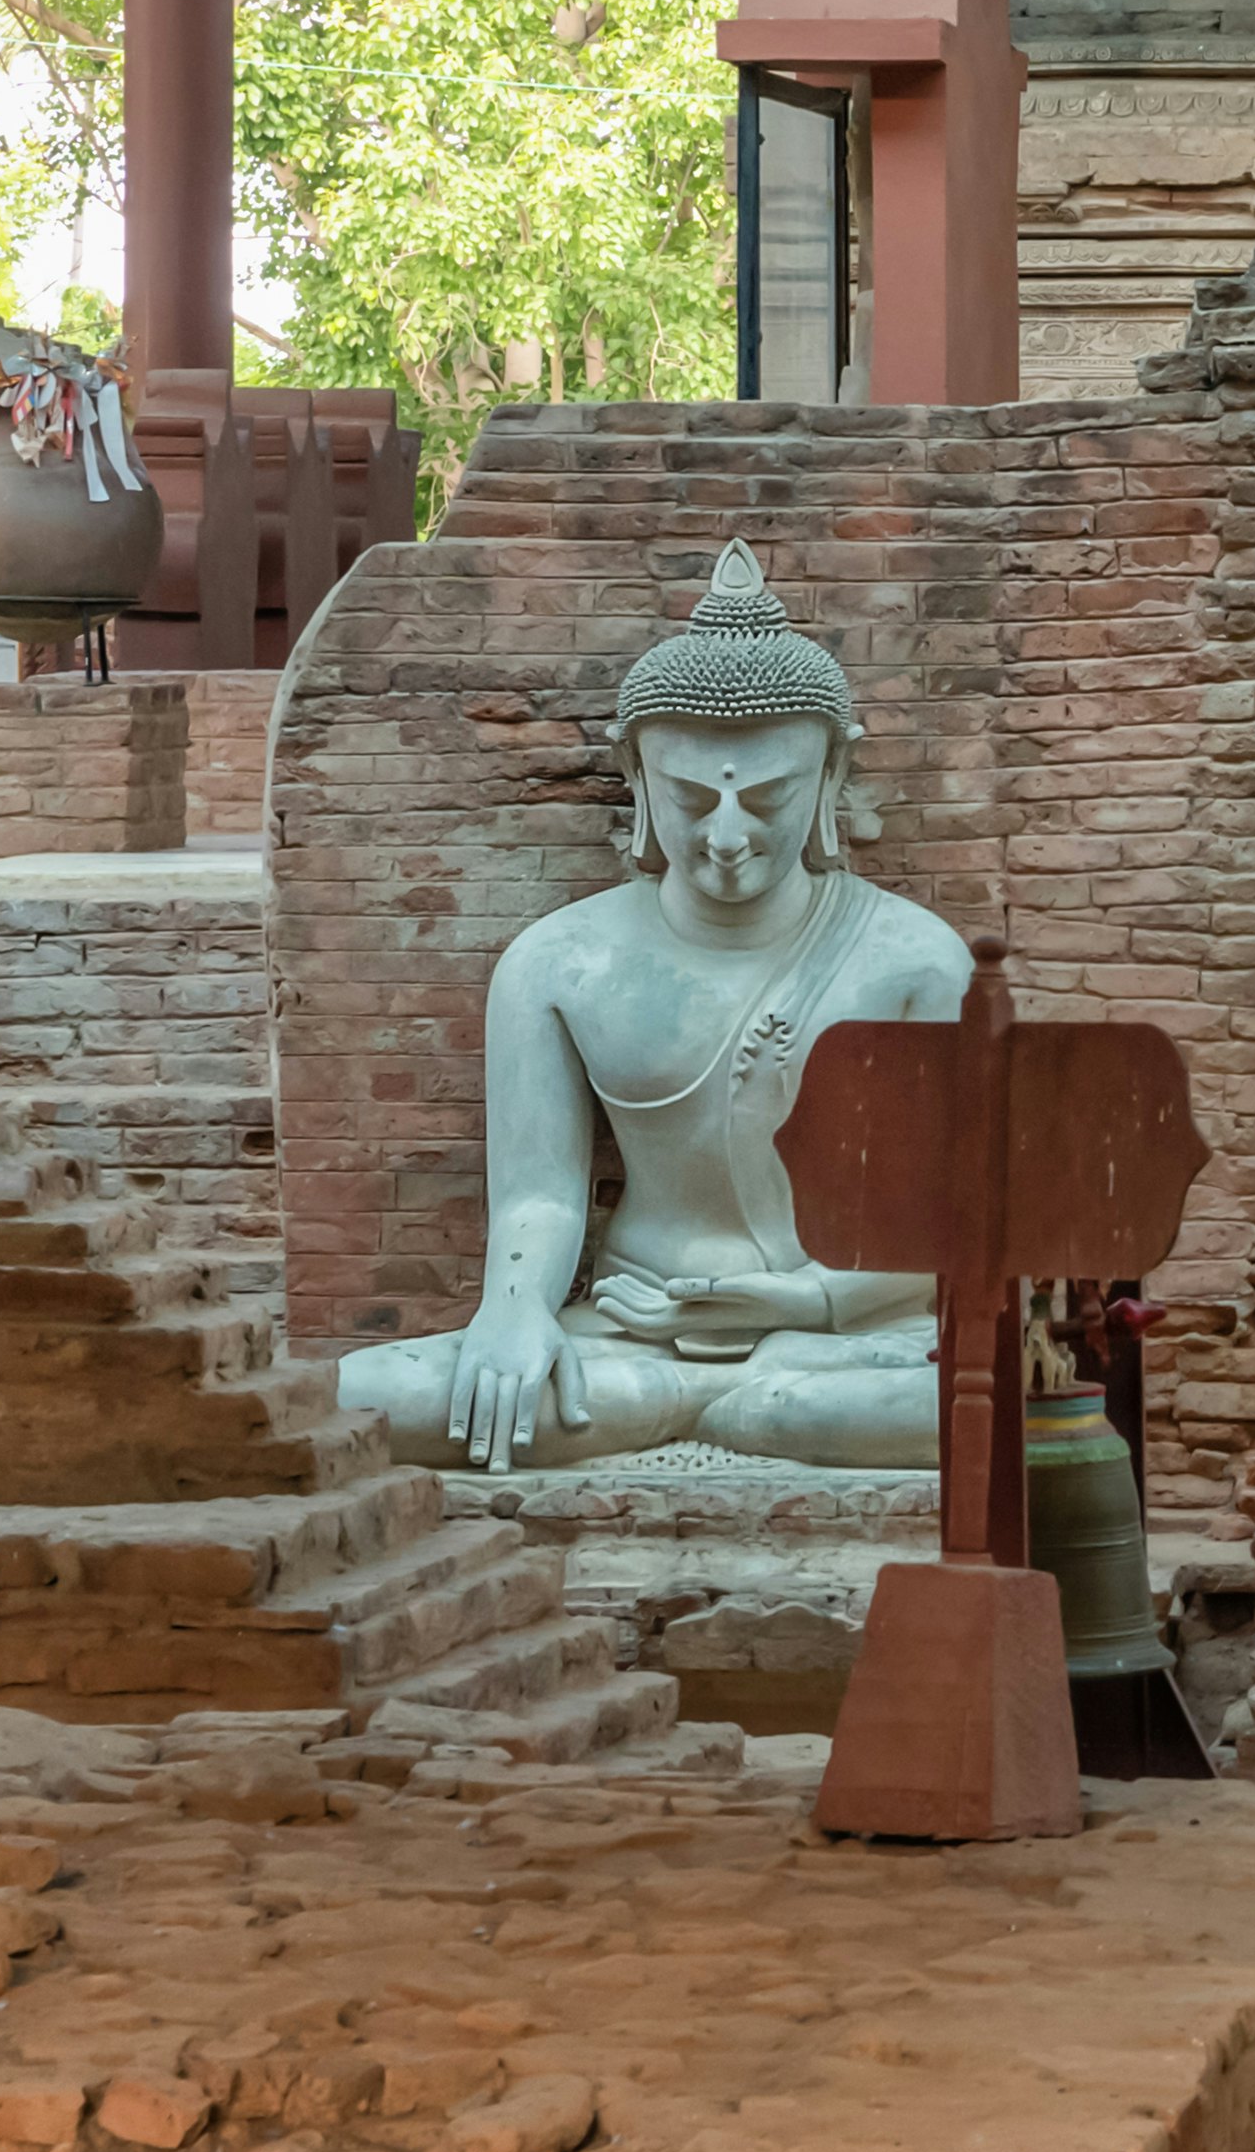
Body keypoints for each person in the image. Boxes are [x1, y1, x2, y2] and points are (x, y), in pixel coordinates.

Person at [336, 547, 969, 1473]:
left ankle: (717, 1406)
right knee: (362, 1394)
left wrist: (788, 1304)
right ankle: (726, 1408)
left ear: (833, 778)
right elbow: (541, 1200)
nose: (725, 838)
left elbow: (944, 1227)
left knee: (984, 1410)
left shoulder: (914, 961)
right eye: (686, 799)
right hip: (630, 1336)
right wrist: (510, 1317)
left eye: (769, 798)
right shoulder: (558, 963)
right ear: (635, 781)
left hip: (839, 1334)